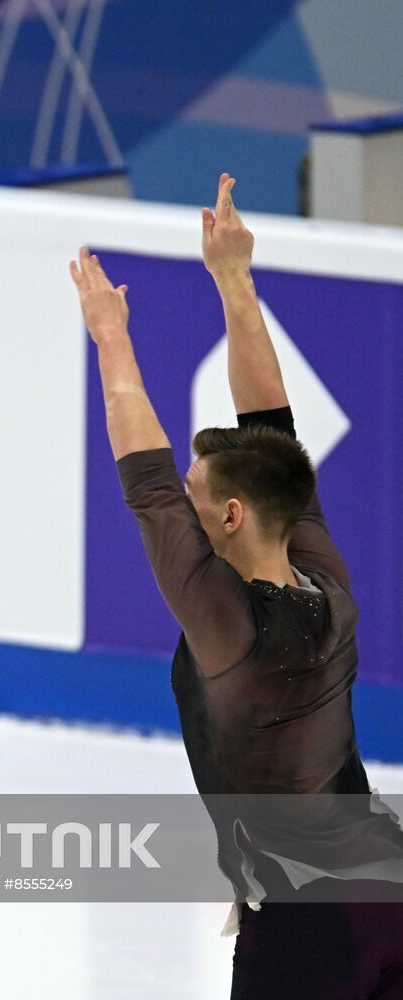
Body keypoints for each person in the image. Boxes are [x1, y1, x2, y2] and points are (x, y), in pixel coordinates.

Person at [71, 174, 403, 998]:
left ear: (225, 516)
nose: (180, 503)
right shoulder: (324, 579)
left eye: (195, 494)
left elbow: (143, 480)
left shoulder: (229, 625)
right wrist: (233, 280)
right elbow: (273, 429)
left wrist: (110, 336)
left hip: (305, 918)